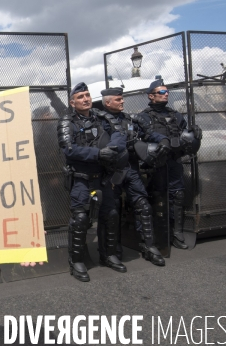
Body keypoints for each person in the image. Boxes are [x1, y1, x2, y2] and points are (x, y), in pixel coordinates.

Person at [57, 82, 128, 282]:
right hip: (81, 180)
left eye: (87, 95)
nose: (86, 99)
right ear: (72, 102)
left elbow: (119, 134)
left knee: (111, 215)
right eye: (80, 97)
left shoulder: (102, 117)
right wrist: (98, 153)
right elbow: (69, 149)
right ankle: (76, 261)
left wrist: (112, 149)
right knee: (80, 220)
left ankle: (108, 255)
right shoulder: (66, 122)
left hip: (103, 178)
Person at [100, 87, 165, 266]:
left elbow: (148, 133)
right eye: (118, 99)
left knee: (143, 206)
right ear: (107, 103)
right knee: (112, 211)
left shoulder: (129, 119)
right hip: (112, 171)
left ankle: (148, 246)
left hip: (131, 168)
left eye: (122, 99)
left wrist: (163, 140)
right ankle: (111, 251)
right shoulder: (100, 121)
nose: (122, 101)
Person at [135, 79, 202, 249]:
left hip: (174, 161)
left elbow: (184, 133)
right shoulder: (143, 117)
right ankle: (153, 236)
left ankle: (177, 233)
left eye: (167, 92)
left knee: (177, 195)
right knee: (154, 198)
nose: (166, 95)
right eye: (162, 92)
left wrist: (193, 131)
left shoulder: (175, 115)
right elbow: (141, 139)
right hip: (154, 164)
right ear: (151, 96)